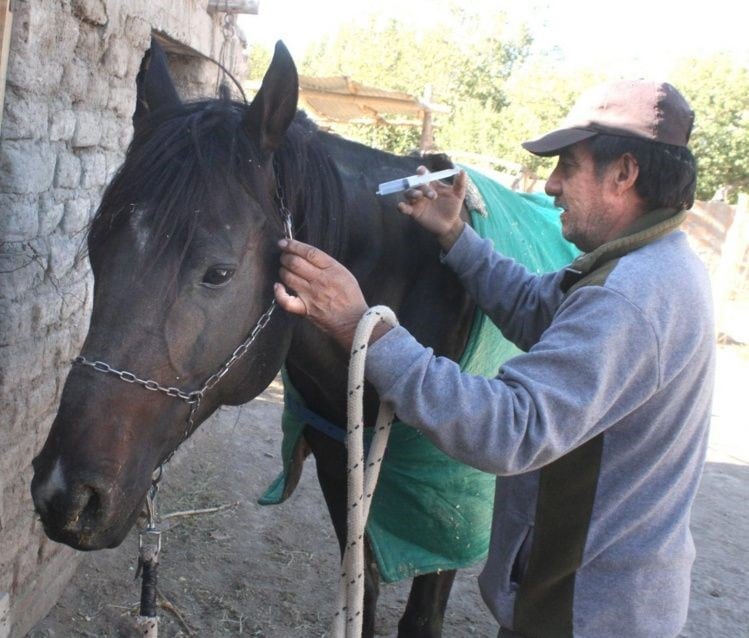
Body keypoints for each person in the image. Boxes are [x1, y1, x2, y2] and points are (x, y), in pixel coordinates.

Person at [273, 79, 715, 638]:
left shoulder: (630, 296)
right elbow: (538, 308)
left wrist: (362, 325)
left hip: (587, 613)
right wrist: (455, 235)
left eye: (568, 166)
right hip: (587, 594)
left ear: (624, 173)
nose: (551, 186)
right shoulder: (649, 263)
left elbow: (512, 428)